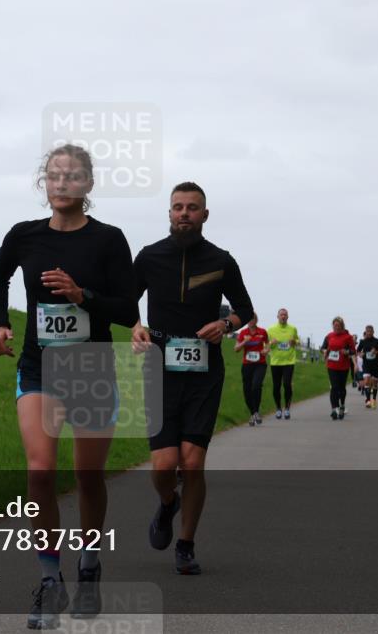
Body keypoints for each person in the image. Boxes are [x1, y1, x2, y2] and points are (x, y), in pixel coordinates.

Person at [0, 144, 139, 629]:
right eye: (53, 175)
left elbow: (126, 309)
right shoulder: (24, 235)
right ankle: (51, 580)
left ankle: (89, 565)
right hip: (38, 369)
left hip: (92, 369)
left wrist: (82, 295)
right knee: (39, 473)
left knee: (88, 477)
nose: (61, 183)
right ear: (43, 183)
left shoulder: (109, 239)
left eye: (72, 176)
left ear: (88, 185)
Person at [132, 181, 253, 575]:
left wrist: (225, 324)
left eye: (192, 207)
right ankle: (168, 503)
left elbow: (244, 311)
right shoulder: (150, 257)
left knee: (193, 462)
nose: (184, 213)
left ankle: (186, 544)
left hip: (204, 372)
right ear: (169, 214)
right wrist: (136, 325)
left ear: (204, 214)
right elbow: (123, 300)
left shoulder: (221, 260)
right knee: (164, 465)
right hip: (160, 367)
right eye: (178, 207)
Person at [234, 315, 268, 426]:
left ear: (256, 320)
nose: (250, 321)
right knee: (247, 390)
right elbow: (236, 349)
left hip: (260, 364)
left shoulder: (262, 332)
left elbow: (267, 346)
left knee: (256, 386)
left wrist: (265, 350)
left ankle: (256, 411)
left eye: (252, 319)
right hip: (247, 365)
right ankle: (253, 413)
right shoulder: (243, 333)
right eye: (248, 319)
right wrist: (244, 342)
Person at [320, 317, 356, 420]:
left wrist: (347, 352)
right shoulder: (329, 336)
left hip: (343, 366)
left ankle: (342, 405)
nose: (336, 327)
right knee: (334, 387)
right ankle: (334, 409)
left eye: (338, 326)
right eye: (335, 325)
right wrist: (324, 351)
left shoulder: (348, 337)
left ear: (342, 326)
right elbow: (322, 348)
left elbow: (353, 351)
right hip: (331, 365)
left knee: (341, 388)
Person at [267, 308, 299, 419]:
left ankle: (287, 409)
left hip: (289, 361)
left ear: (288, 317)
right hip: (275, 362)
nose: (283, 316)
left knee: (287, 384)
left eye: (285, 315)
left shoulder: (293, 329)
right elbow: (265, 346)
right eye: (281, 315)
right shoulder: (271, 330)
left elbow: (297, 341)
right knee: (276, 387)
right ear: (277, 316)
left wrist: (294, 342)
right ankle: (278, 409)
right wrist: (271, 342)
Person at [357, 325, 378, 409]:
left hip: (376, 366)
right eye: (367, 331)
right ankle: (368, 400)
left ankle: (374, 399)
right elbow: (358, 351)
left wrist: (377, 352)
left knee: (374, 383)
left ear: (373, 332)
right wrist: (360, 354)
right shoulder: (363, 342)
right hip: (366, 365)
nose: (369, 333)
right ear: (365, 332)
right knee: (366, 381)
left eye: (370, 331)